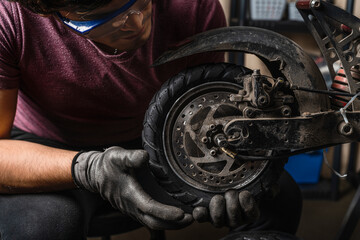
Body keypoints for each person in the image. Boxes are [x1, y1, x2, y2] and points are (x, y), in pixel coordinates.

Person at [0, 0, 302, 239]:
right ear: (55, 12)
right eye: (110, 19)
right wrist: (89, 169)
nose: (137, 23)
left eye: (140, 3)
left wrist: (235, 175)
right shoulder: (10, 17)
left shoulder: (192, 6)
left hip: (160, 142)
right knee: (40, 228)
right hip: (48, 147)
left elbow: (206, 114)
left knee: (277, 198)